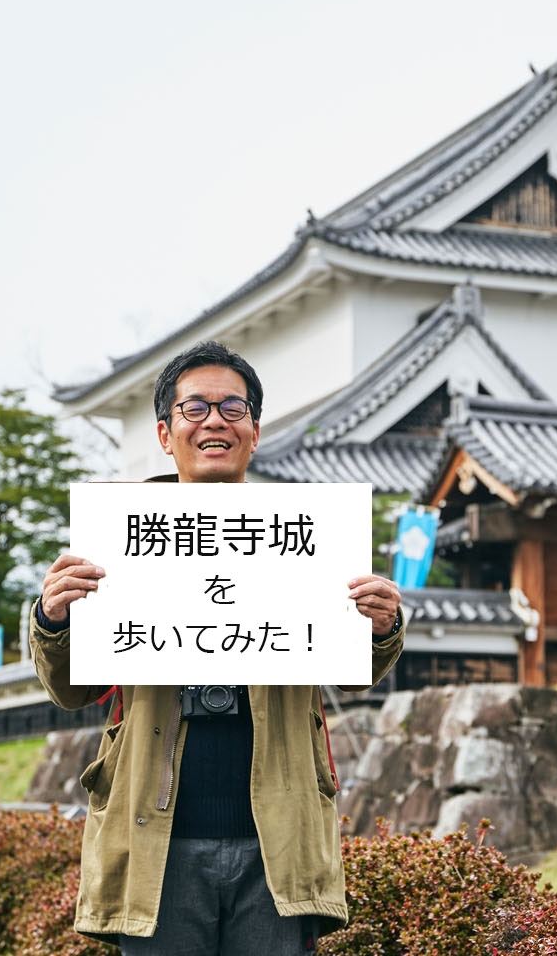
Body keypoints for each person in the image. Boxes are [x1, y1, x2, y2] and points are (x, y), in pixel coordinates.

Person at [31, 340, 404, 954]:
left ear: (255, 432)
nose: (214, 421)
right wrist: (52, 617)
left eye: (233, 408)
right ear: (164, 432)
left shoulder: (307, 535)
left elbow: (354, 672)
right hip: (157, 837)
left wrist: (382, 625)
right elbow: (69, 689)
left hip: (276, 841)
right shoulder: (113, 540)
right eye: (195, 408)